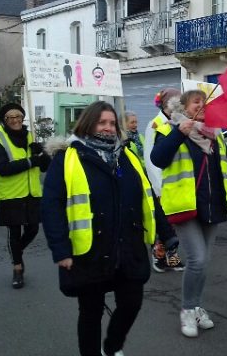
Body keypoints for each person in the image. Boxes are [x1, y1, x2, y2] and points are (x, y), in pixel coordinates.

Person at [40, 101, 156, 356]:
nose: (108, 128)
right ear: (88, 124)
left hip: (127, 245)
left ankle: (112, 346)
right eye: (102, 122)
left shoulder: (126, 156)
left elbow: (147, 196)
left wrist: (164, 236)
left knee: (132, 303)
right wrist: (61, 249)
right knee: (90, 313)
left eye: (112, 123)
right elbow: (52, 205)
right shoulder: (67, 157)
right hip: (89, 250)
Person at [151, 89, 227, 338]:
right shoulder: (169, 129)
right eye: (197, 102)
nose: (202, 106)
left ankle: (195, 306)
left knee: (204, 262)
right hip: (185, 206)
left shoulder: (215, 134)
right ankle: (186, 309)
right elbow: (157, 159)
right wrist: (178, 133)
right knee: (197, 259)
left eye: (205, 103)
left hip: (212, 204)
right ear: (184, 106)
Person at [0, 103, 50, 289]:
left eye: (18, 116)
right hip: (11, 193)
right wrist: (32, 160)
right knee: (14, 232)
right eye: (10, 117)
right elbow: (3, 168)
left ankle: (17, 253)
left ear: (23, 117)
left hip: (32, 192)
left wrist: (43, 153)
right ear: (4, 120)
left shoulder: (32, 136)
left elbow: (44, 167)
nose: (15, 120)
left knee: (33, 229)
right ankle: (17, 269)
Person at [144, 88, 185, 273]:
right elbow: (150, 157)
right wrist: (158, 185)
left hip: (175, 183)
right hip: (161, 184)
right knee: (165, 223)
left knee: (174, 224)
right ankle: (159, 256)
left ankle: (172, 258)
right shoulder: (155, 124)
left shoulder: (178, 122)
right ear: (167, 104)